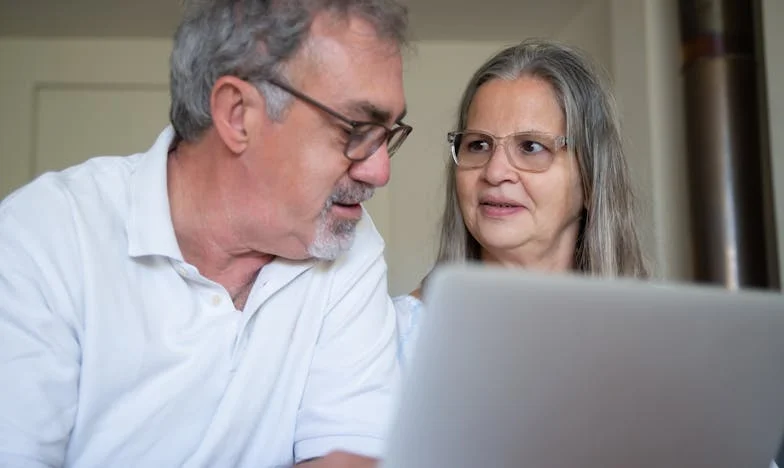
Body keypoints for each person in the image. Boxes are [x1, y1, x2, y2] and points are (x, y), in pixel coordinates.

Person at [0, 0, 412, 466]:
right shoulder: (44, 234)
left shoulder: (349, 244)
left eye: (388, 134)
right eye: (356, 129)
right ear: (237, 114)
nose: (380, 171)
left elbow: (349, 455)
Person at [394, 38, 649, 366]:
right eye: (479, 145)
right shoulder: (398, 337)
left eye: (530, 147)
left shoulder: (653, 337)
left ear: (591, 178)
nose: (495, 171)